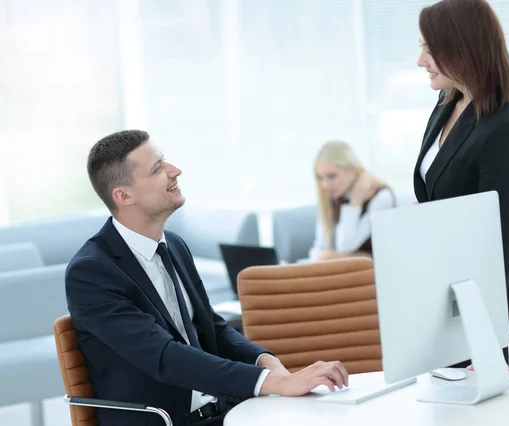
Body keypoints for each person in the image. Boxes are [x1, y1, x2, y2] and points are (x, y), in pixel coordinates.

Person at [65, 130, 349, 426]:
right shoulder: (91, 273)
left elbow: (210, 326)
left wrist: (264, 360)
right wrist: (272, 383)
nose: (175, 171)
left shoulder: (173, 245)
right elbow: (164, 356)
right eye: (158, 168)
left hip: (223, 411)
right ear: (124, 196)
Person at [414, 0, 509, 375]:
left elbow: (494, 236)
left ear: (462, 48)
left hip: (476, 297)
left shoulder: (503, 126)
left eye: (429, 50)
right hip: (439, 282)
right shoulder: (449, 100)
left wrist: (483, 337)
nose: (420, 62)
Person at [309, 140, 395, 261]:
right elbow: (318, 250)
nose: (325, 185)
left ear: (353, 170)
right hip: (348, 268)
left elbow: (345, 246)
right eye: (320, 178)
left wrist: (356, 202)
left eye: (332, 176)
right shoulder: (333, 196)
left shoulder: (381, 197)